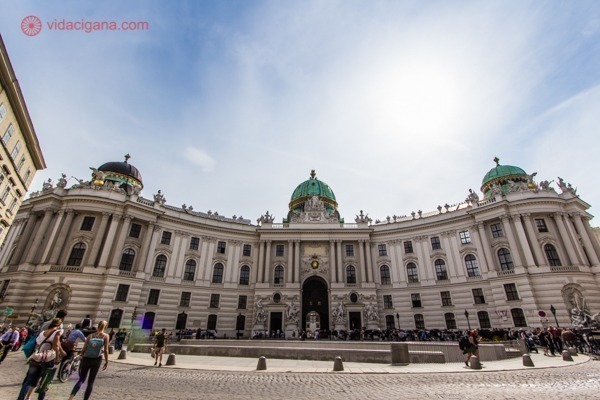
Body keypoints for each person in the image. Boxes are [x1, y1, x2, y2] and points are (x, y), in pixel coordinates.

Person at [17, 318, 65, 400]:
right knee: (45, 381)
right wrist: (57, 356)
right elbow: (56, 345)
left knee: (29, 381)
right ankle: (41, 398)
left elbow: (38, 343)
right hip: (48, 359)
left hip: (37, 357)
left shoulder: (43, 332)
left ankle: (20, 398)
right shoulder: (58, 332)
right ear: (59, 325)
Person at [68, 320, 110, 400]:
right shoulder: (106, 336)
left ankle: (70, 397)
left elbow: (84, 348)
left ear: (98, 326)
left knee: (81, 379)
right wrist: (107, 361)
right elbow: (106, 350)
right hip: (97, 360)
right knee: (90, 382)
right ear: (105, 327)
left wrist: (81, 354)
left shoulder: (90, 336)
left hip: (86, 359)